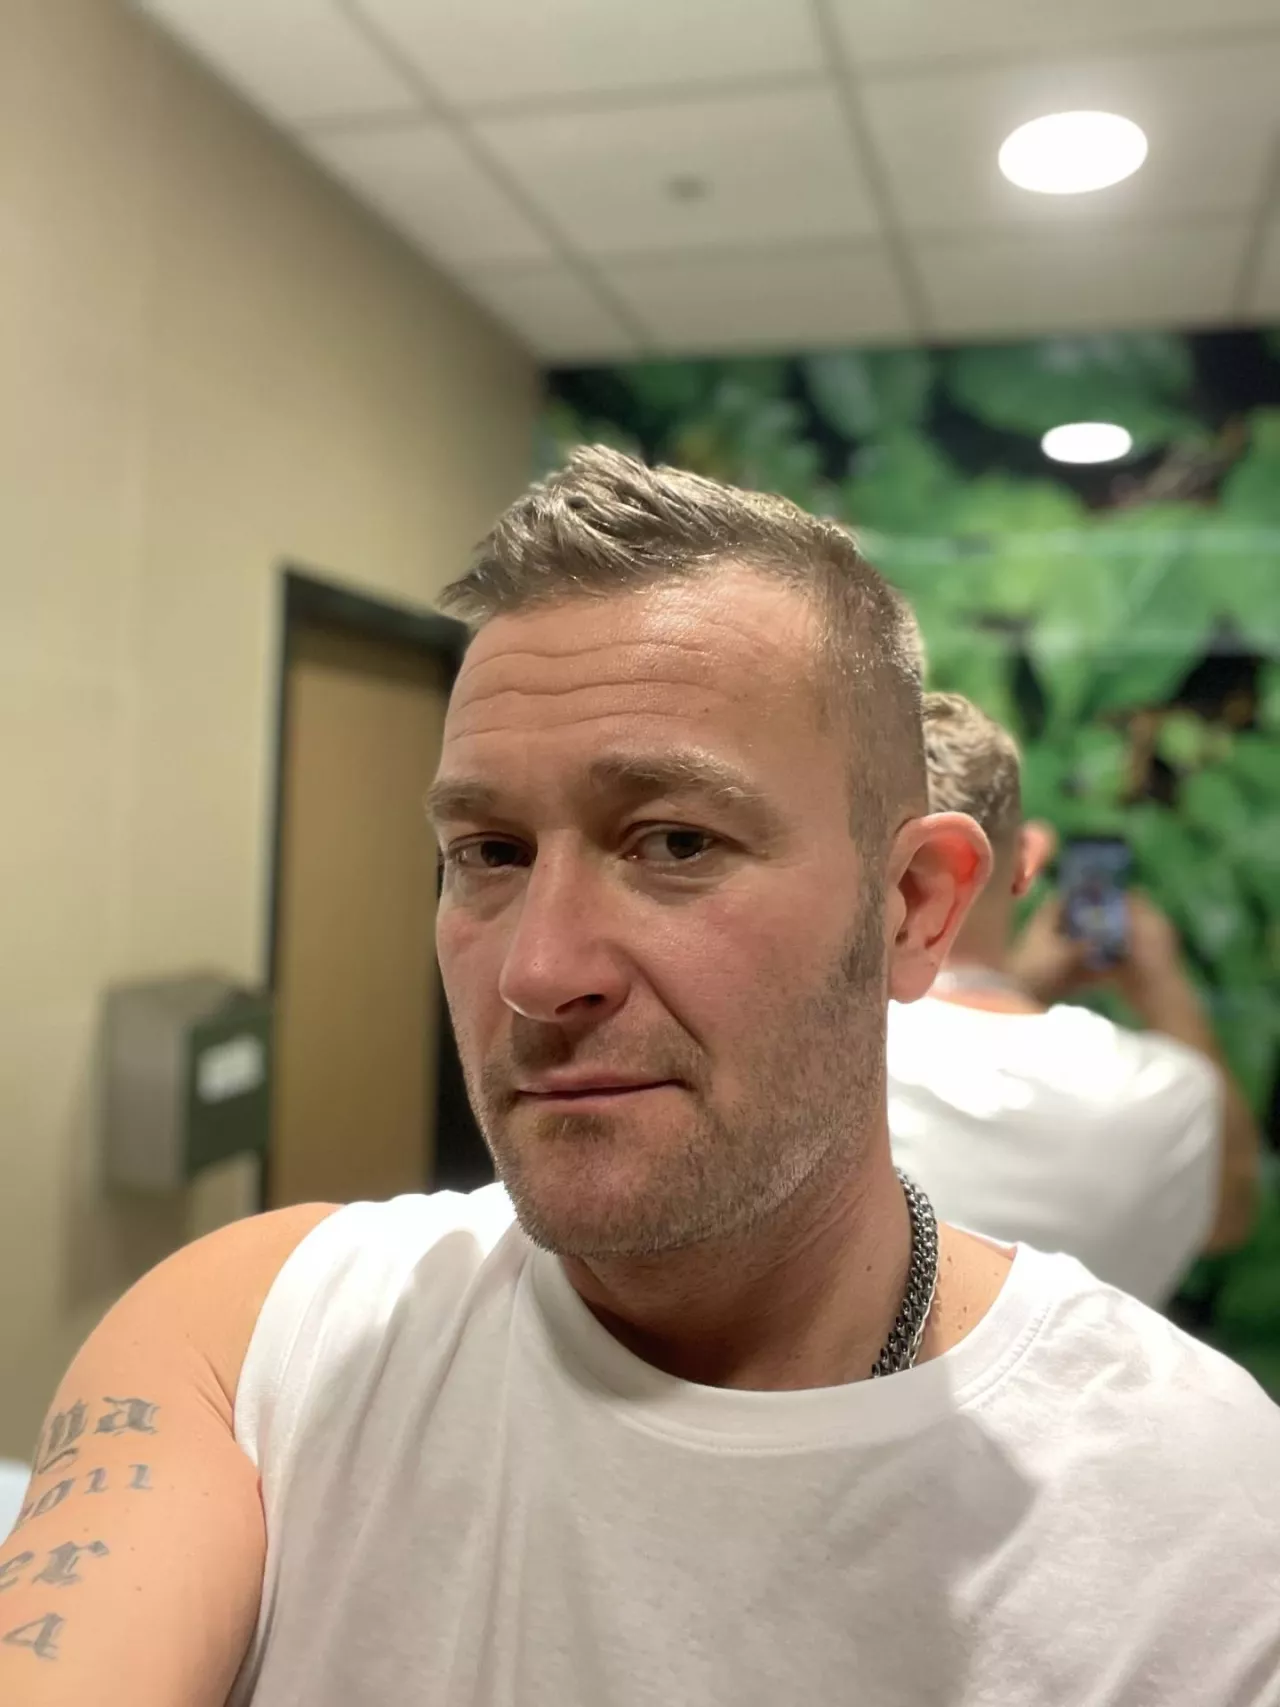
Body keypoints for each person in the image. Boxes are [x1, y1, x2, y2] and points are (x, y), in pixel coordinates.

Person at [3, 450, 1278, 1707]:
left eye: (673, 842)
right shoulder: (261, 1341)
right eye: (488, 852)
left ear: (910, 906)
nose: (536, 972)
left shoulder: (1189, 1519)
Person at [889, 691, 1261, 1307]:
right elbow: (1230, 1210)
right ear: (1028, 860)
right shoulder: (1162, 1096)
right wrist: (1163, 985)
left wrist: (1016, 985)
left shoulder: (810, 1055)